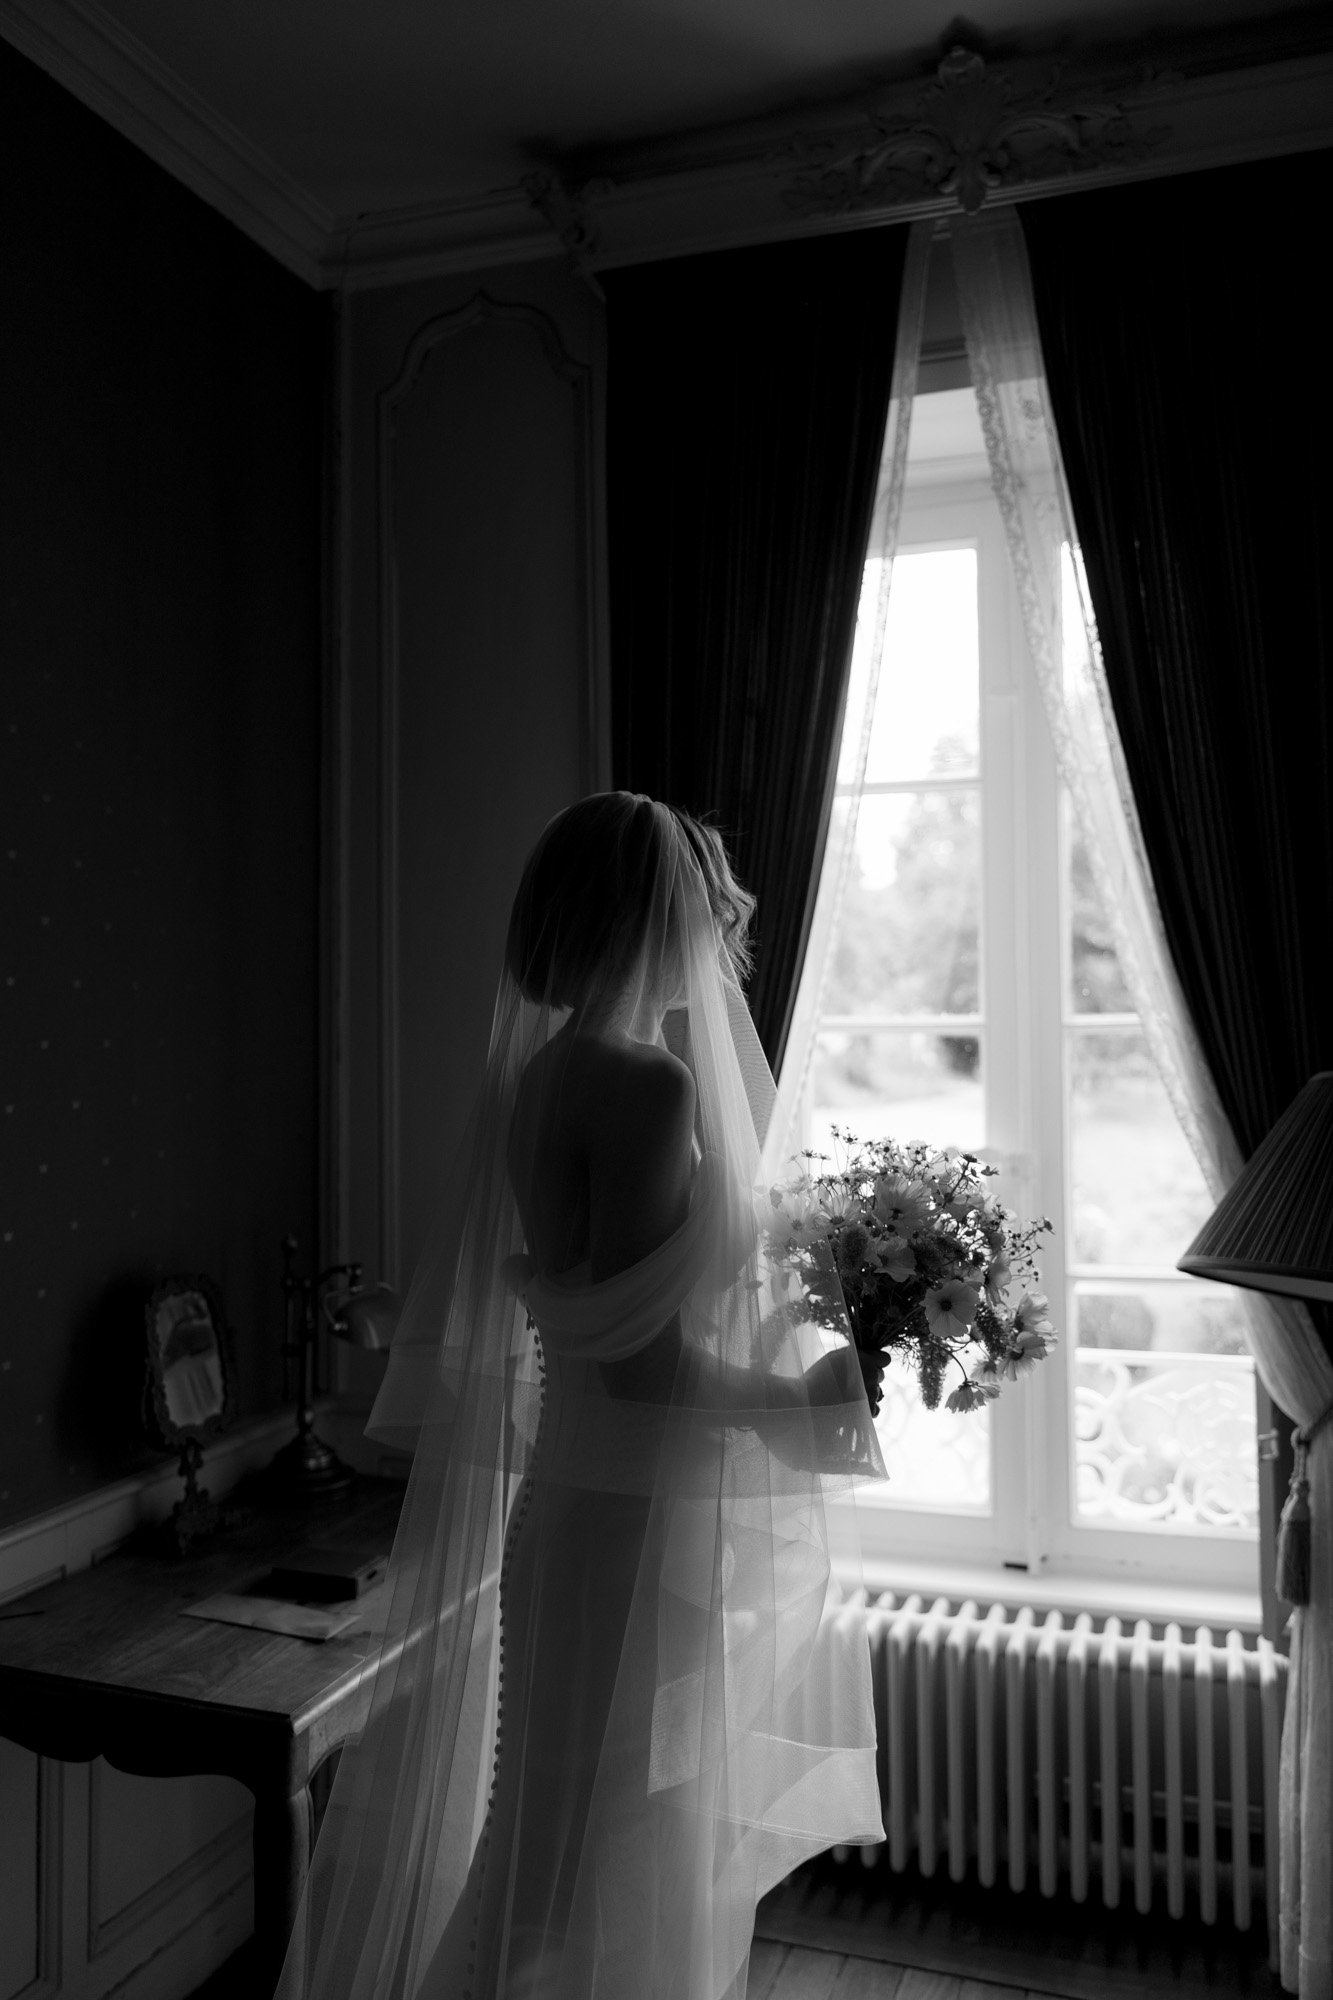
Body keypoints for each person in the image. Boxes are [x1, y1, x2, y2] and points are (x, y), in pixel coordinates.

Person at [278, 794, 888, 2000]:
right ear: (650, 921)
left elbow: (611, 1330)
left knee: (540, 1843)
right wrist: (803, 1404)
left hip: (570, 1510)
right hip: (633, 1535)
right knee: (607, 1846)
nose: (716, 944)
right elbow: (643, 1369)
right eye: (700, 915)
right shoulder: (648, 1087)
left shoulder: (543, 1078)